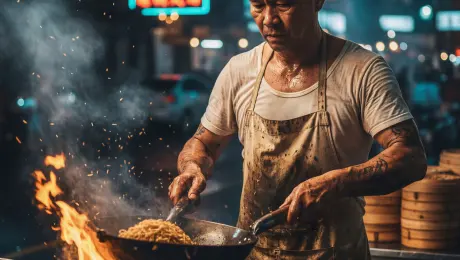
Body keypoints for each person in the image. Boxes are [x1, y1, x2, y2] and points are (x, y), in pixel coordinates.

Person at [168, 0, 427, 259]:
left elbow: (410, 156)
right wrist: (192, 166)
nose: (268, 19)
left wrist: (334, 183)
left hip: (336, 253)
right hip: (255, 251)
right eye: (258, 5)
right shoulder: (239, 71)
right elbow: (202, 143)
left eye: (283, 4)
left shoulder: (362, 71)